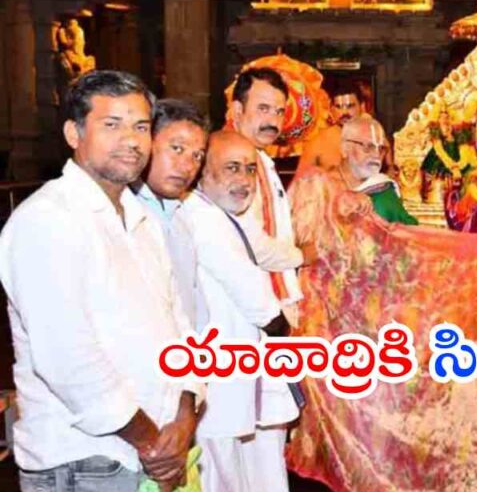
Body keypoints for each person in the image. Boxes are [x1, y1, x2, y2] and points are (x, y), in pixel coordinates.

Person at [0, 70, 200, 492]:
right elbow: (68, 361)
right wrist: (153, 445)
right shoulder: (47, 220)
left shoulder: (142, 219)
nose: (131, 140)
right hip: (85, 464)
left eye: (141, 127)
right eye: (112, 124)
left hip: (156, 452)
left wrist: (186, 413)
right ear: (73, 134)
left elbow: (179, 327)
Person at [178, 131, 298, 492]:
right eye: (231, 168)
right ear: (203, 173)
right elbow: (256, 299)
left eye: (249, 169)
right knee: (224, 482)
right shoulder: (202, 218)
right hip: (220, 380)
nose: (244, 180)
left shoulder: (219, 214)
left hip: (237, 373)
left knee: (252, 477)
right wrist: (282, 326)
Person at [228, 67, 309, 327]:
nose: (273, 121)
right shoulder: (232, 161)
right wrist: (303, 256)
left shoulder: (260, 157)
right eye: (263, 109)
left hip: (267, 306)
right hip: (250, 311)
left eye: (279, 111)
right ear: (238, 110)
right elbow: (249, 244)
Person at [134, 98, 210, 325]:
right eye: (177, 149)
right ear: (146, 143)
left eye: (197, 156)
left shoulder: (181, 213)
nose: (188, 166)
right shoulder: (124, 214)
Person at [332, 115, 417, 225]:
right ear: (345, 149)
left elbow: (407, 229)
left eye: (381, 148)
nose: (376, 155)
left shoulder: (383, 190)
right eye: (369, 147)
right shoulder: (322, 186)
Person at [297, 84, 371, 173]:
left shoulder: (374, 137)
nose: (344, 112)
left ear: (362, 106)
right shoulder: (318, 142)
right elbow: (301, 178)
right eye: (338, 107)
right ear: (331, 109)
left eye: (350, 106)